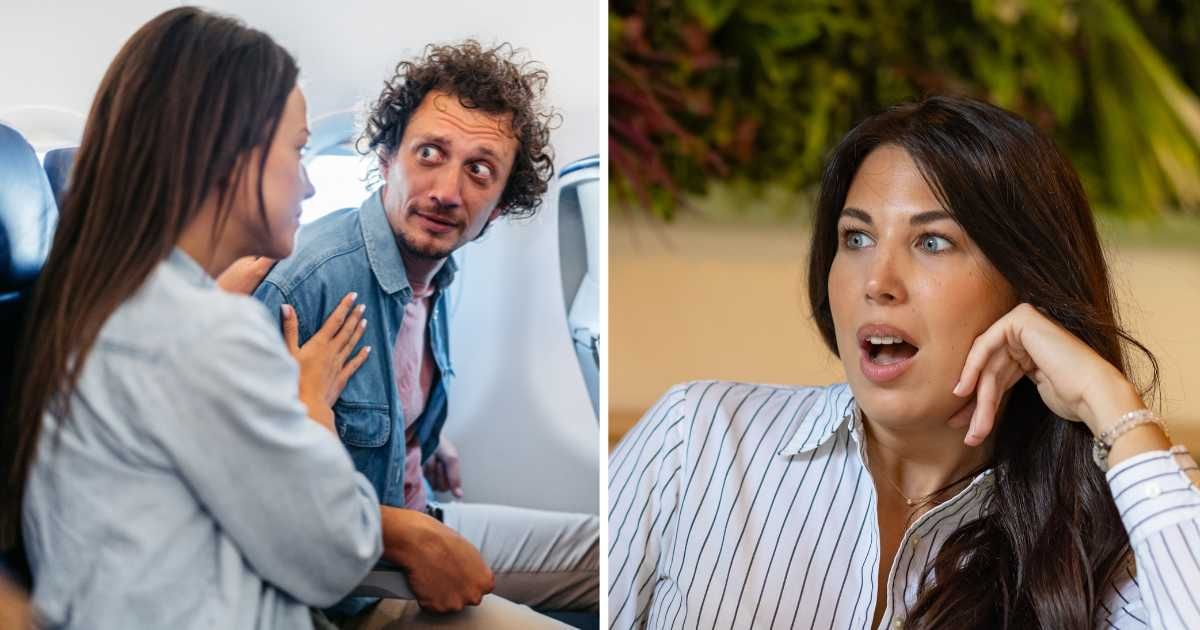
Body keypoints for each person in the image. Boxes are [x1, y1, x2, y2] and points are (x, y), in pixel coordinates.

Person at [608, 96, 1200, 629]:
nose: (877, 281)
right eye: (856, 238)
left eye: (932, 242)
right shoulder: (698, 439)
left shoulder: (1096, 547)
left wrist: (1110, 403)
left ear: (1027, 285)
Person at [0, 8, 383, 629]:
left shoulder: (103, 303)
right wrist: (312, 408)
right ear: (230, 154)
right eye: (298, 150)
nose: (310, 185)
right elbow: (341, 555)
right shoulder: (203, 333)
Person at [249, 42, 598, 627]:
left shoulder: (436, 273)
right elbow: (258, 499)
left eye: (479, 170)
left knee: (602, 549)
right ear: (387, 158)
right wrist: (407, 537)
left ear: (500, 204)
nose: (447, 192)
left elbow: (385, 396)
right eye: (430, 153)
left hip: (417, 511)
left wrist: (420, 438)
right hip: (357, 582)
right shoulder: (310, 285)